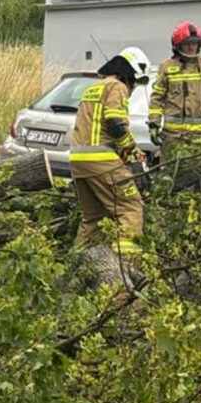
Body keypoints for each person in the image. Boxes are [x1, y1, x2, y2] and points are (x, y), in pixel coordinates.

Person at [70, 47, 152, 256]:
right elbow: (115, 124)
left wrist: (129, 148)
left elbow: (98, 127)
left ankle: (76, 268)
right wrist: (130, 149)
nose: (133, 88)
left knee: (93, 218)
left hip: (78, 160)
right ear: (131, 73)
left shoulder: (93, 88)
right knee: (130, 208)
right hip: (100, 159)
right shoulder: (117, 86)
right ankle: (125, 269)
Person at [148, 21, 201, 155]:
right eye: (187, 44)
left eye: (194, 43)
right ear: (178, 45)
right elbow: (157, 98)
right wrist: (154, 124)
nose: (191, 47)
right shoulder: (167, 66)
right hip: (174, 136)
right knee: (171, 172)